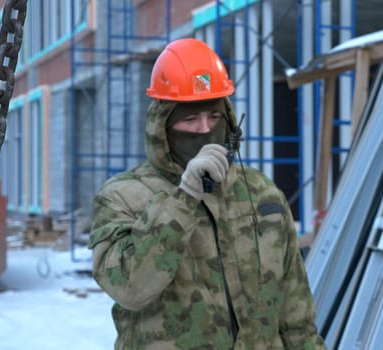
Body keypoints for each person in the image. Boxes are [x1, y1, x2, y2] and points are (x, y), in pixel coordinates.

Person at [88, 38, 326, 350]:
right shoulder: (123, 196)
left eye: (214, 117)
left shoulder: (260, 193)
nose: (205, 130)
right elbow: (131, 288)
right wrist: (184, 198)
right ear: (163, 126)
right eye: (190, 119)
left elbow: (295, 312)